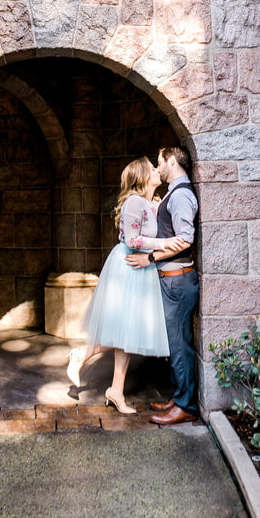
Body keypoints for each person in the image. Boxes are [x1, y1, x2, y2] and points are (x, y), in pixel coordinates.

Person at [66, 156, 184, 414]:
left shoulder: (148, 202)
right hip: (129, 267)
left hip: (141, 268)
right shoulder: (133, 202)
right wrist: (164, 244)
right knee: (126, 330)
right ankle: (85, 358)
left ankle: (114, 389)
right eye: (153, 168)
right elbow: (131, 239)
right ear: (143, 177)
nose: (157, 169)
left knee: (128, 332)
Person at [126, 146, 199, 425]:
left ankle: (186, 406)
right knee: (175, 344)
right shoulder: (173, 194)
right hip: (173, 280)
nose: (158, 168)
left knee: (180, 346)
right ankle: (179, 397)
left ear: (171, 161)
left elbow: (184, 240)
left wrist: (150, 258)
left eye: (160, 162)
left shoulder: (180, 195)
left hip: (178, 281)